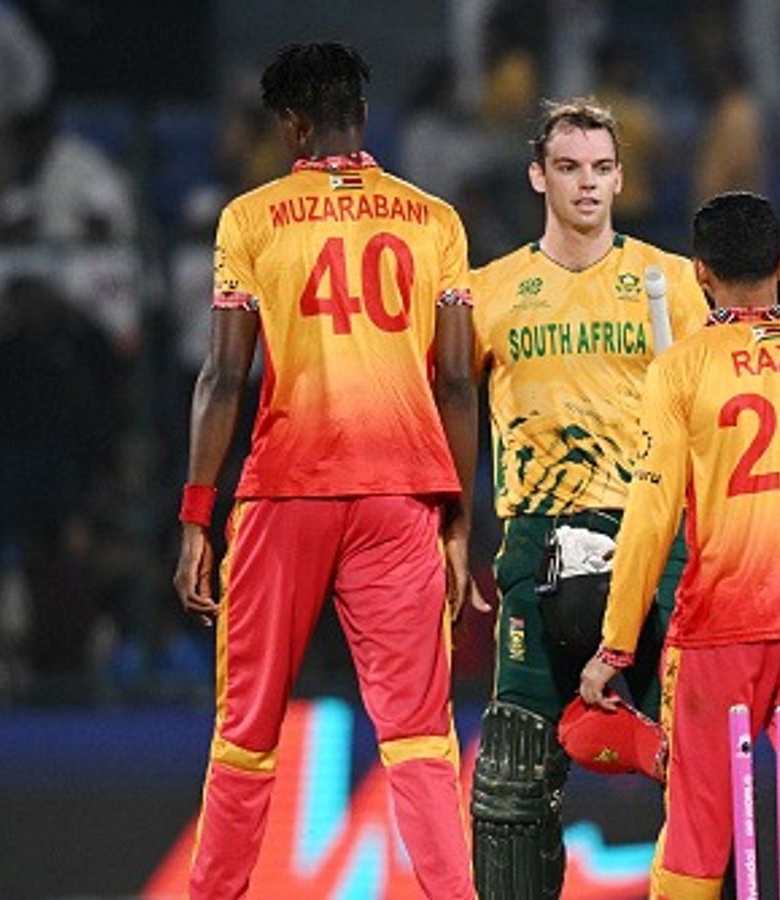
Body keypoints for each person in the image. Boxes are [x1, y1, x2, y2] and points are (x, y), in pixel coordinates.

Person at [172, 42, 479, 900]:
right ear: (364, 116)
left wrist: (197, 514)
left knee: (247, 726)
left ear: (294, 126)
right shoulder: (436, 220)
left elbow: (224, 377)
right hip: (401, 494)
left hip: (285, 492)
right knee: (419, 734)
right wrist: (458, 519)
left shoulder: (251, 217)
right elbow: (457, 380)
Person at [578, 190, 780, 899]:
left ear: (699, 274)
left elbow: (651, 514)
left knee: (699, 829)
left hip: (722, 627)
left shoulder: (682, 368)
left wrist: (615, 646)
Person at [465, 98, 708, 900]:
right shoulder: (488, 293)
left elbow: (718, 416)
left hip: (654, 543)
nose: (587, 185)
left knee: (698, 778)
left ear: (621, 178)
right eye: (569, 167)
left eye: (602, 168)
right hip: (536, 545)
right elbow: (446, 413)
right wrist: (450, 527)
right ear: (539, 175)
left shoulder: (674, 282)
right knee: (510, 785)